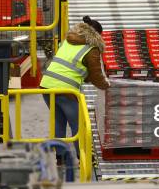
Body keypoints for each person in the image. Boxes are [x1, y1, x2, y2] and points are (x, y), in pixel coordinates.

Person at [40, 16, 110, 155]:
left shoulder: (68, 40)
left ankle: (59, 157)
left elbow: (74, 67)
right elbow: (96, 75)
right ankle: (82, 156)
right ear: (97, 34)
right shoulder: (92, 48)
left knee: (59, 122)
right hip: (65, 90)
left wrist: (86, 77)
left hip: (46, 85)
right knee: (78, 124)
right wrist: (107, 86)